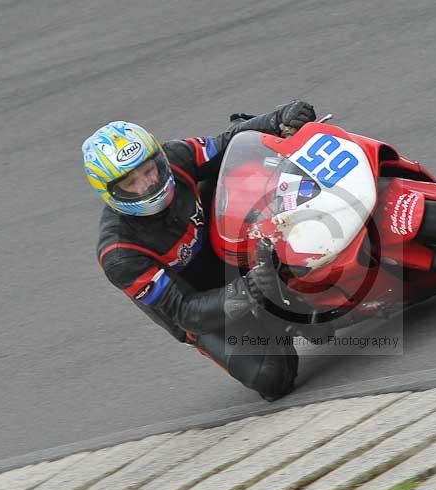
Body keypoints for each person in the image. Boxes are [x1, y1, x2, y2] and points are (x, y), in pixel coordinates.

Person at [82, 101, 316, 401]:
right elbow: (185, 312)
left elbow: (227, 144)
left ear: (158, 158)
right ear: (110, 191)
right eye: (131, 182)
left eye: (149, 169)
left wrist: (278, 118)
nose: (148, 183)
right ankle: (273, 317)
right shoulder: (119, 253)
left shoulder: (175, 156)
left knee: (238, 168)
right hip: (201, 307)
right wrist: (249, 292)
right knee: (273, 379)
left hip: (227, 250)